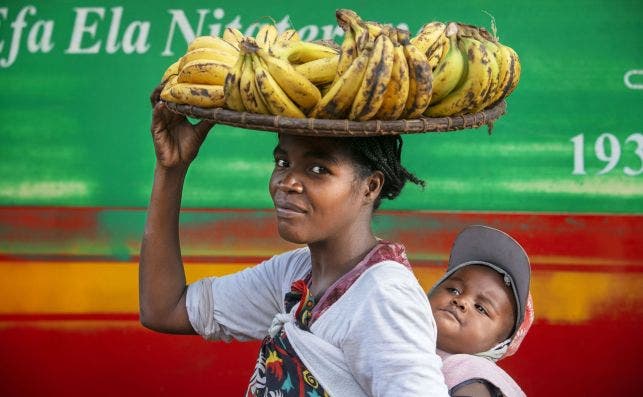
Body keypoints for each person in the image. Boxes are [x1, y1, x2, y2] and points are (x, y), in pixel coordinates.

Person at [139, 87, 449, 396]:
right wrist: (172, 168)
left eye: (318, 169)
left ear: (370, 187)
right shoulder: (296, 273)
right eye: (283, 162)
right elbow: (166, 310)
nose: (287, 183)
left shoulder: (385, 298)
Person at [427, 225, 534, 397]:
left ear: (499, 345)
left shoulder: (470, 369)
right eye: (453, 290)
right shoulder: (409, 347)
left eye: (481, 308)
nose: (461, 301)